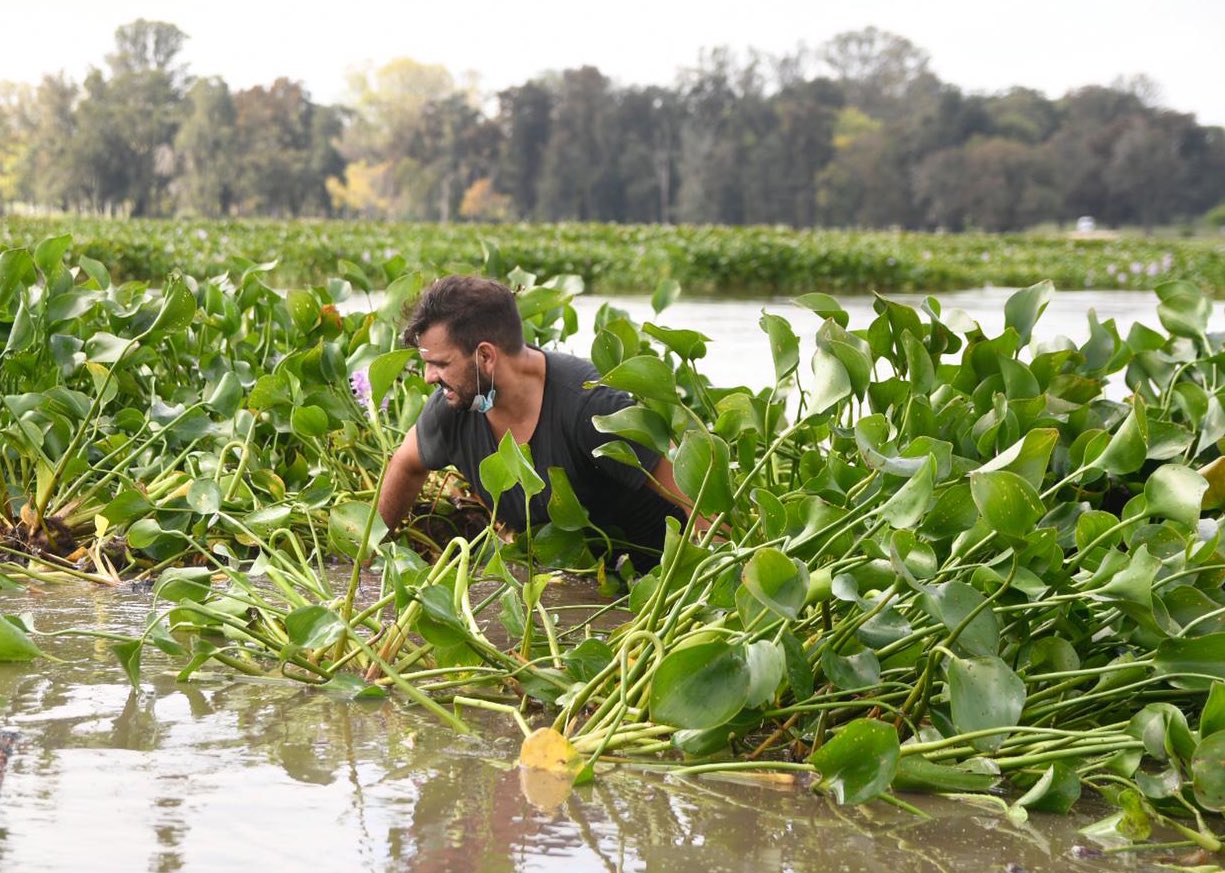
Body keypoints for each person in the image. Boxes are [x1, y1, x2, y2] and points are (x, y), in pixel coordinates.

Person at [378, 275, 689, 572]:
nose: (429, 377)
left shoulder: (591, 406)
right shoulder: (452, 407)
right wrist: (366, 558)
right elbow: (406, 464)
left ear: (486, 356)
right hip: (569, 574)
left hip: (657, 578)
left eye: (441, 364)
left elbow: (696, 497)